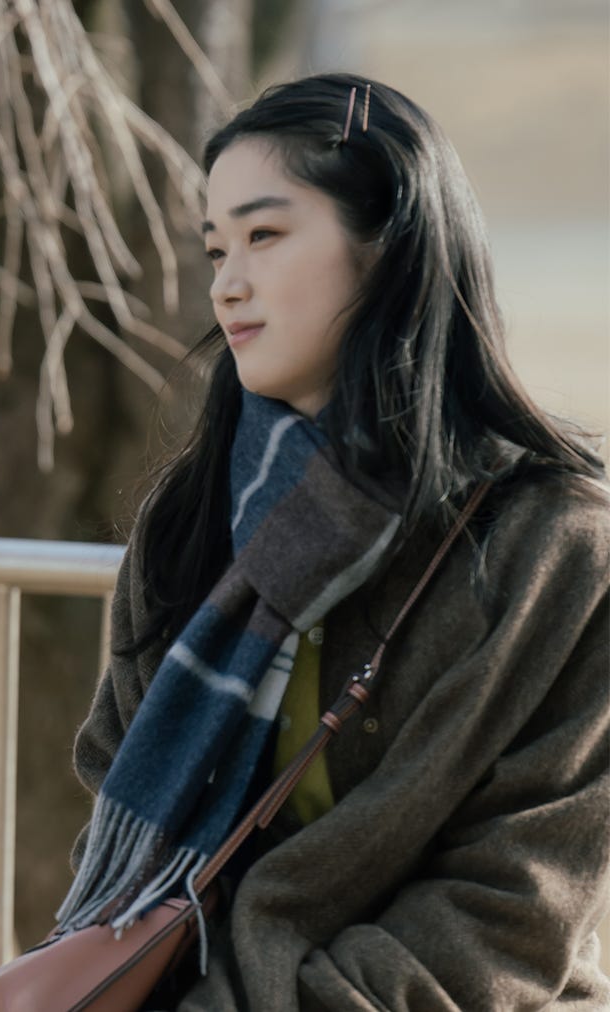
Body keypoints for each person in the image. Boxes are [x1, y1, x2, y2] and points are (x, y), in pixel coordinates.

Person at [57, 73, 609, 1009]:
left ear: (389, 246)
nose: (227, 283)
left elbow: (511, 910)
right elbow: (119, 805)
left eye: (264, 236)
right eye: (215, 248)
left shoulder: (557, 548)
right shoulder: (192, 522)